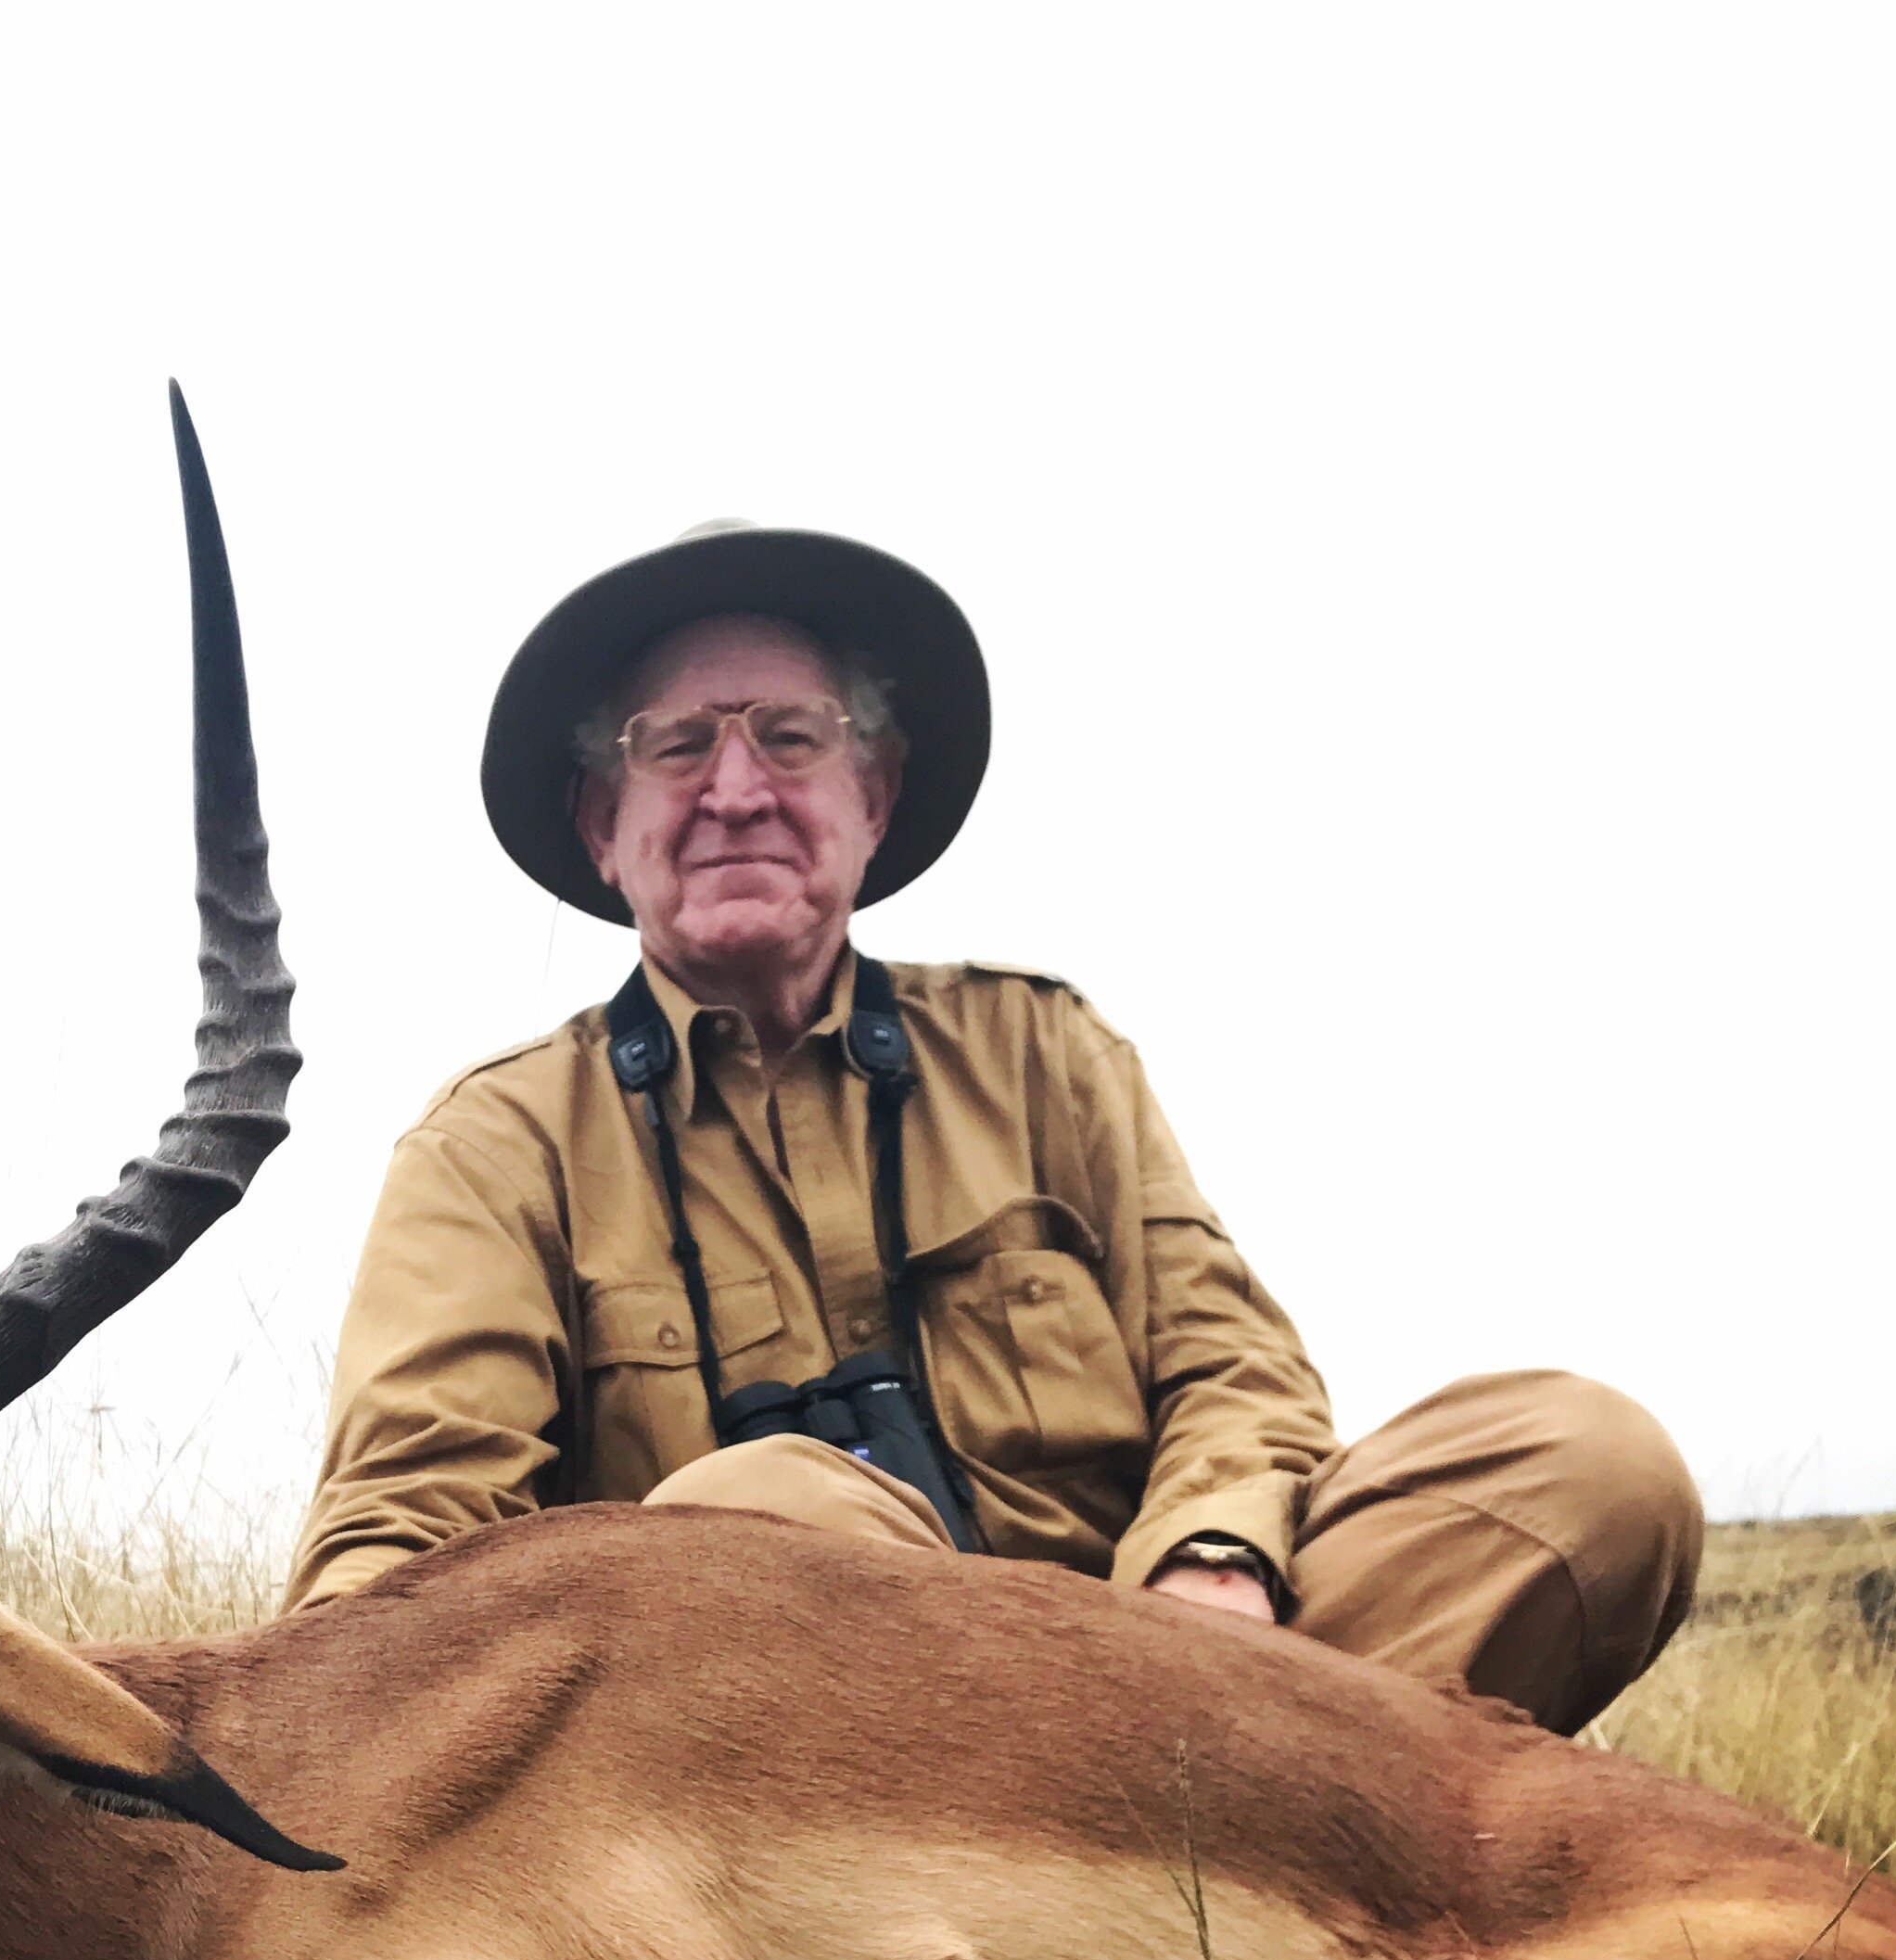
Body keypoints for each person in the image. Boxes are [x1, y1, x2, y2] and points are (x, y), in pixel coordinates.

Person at [285, 521, 1703, 1735]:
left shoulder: (1049, 1052)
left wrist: (1211, 1560)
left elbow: (1235, 1369)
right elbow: (398, 1537)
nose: (735, 790)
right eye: (676, 749)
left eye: (790, 737)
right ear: (604, 822)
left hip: (1186, 1687)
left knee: (1592, 1466)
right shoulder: (495, 1147)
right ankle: (1239, 1918)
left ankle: (1195, 1881)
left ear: (874, 796)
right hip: (795, 1785)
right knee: (769, 1520)